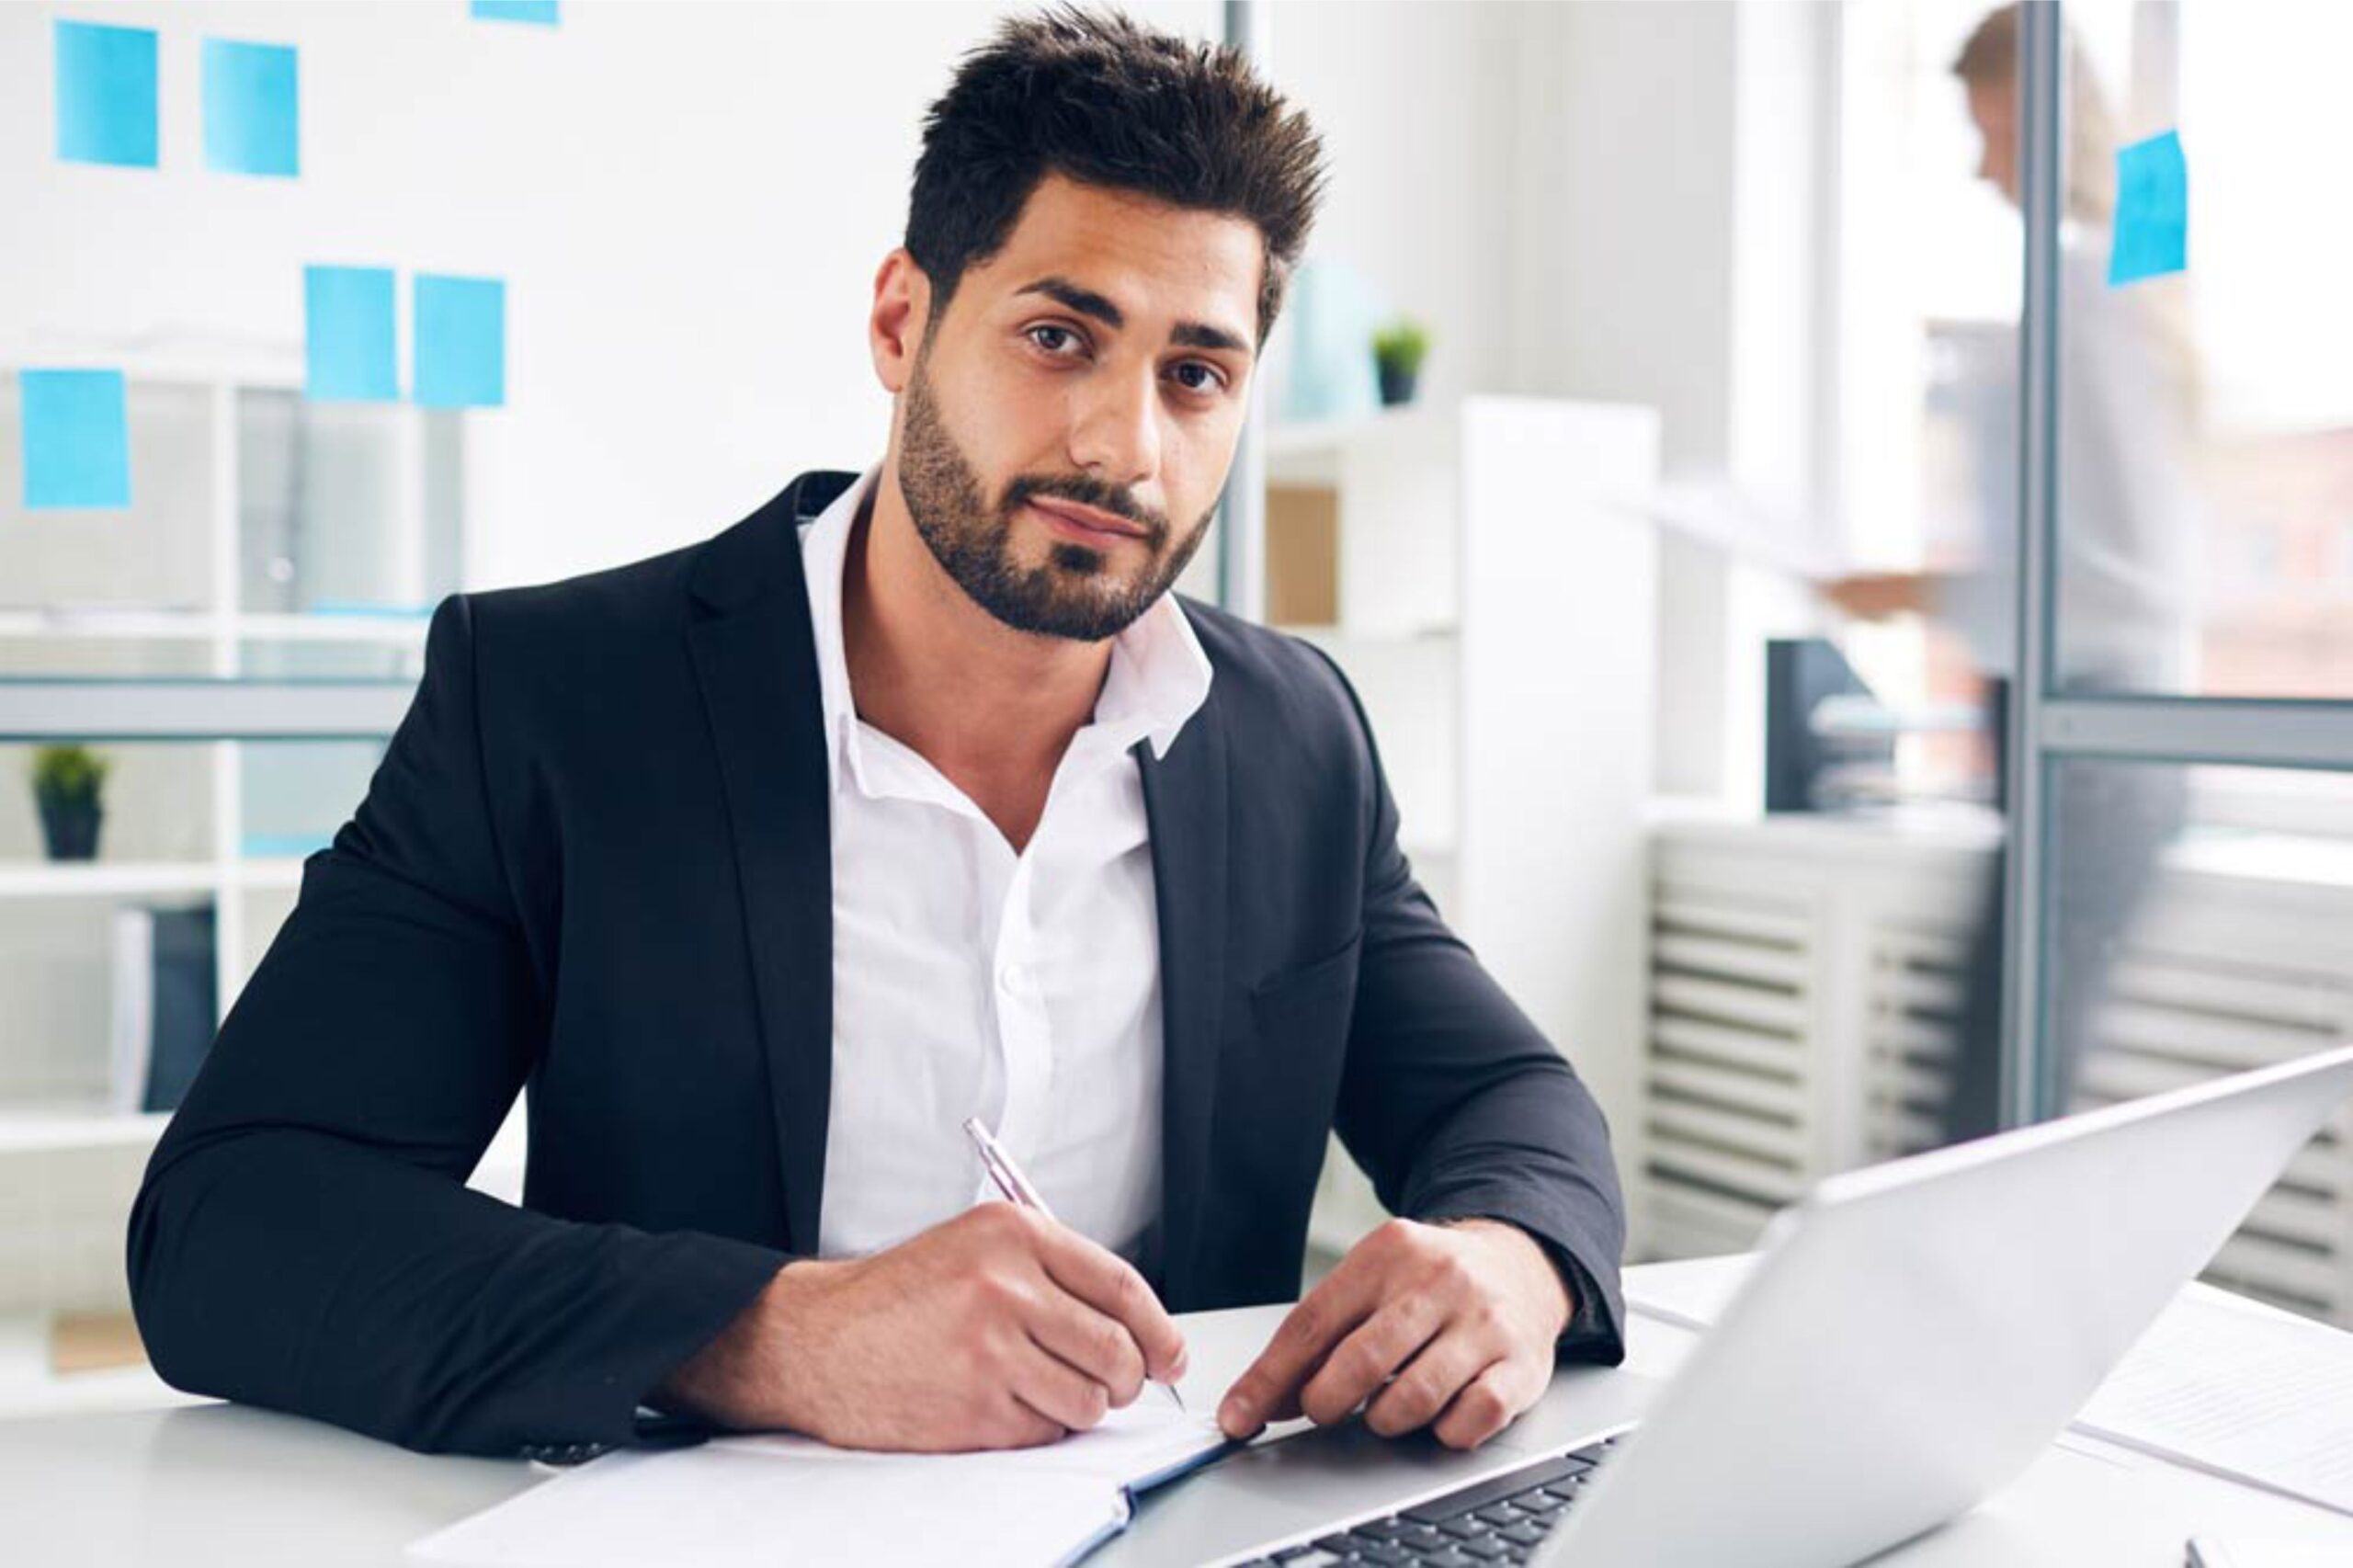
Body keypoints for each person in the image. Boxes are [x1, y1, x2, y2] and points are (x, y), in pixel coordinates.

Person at [126, 6, 1626, 1462]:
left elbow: (1507, 1100)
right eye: (1057, 335)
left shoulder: (1294, 737)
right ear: (902, 321)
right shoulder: (555, 697)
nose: (1124, 446)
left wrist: (1510, 1257)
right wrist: (774, 1332)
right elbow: (234, 1220)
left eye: (1195, 374)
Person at [1823, 3, 2193, 1142]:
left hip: (2095, 737)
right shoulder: (2087, 296)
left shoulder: (2098, 304)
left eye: (1995, 136)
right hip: (2064, 739)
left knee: (1992, 1111)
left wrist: (1911, 591)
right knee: (1993, 1097)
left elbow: (2115, 578)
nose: (1986, 174)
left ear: (2053, 123)